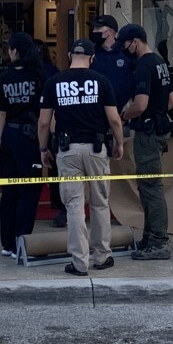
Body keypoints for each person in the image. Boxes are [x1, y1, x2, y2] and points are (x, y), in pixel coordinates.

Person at [37, 37, 125, 276]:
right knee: (100, 203)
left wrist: (43, 150)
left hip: (67, 151)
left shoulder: (54, 82)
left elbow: (44, 122)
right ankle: (103, 256)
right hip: (97, 150)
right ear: (92, 58)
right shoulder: (101, 81)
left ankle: (79, 262)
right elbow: (114, 119)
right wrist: (119, 143)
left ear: (69, 56)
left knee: (74, 206)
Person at [118, 23, 173, 260]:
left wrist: (124, 115)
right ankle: (151, 237)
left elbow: (140, 105)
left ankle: (158, 242)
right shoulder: (160, 62)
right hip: (159, 130)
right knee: (149, 186)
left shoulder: (143, 65)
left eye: (126, 44)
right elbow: (170, 102)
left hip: (148, 133)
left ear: (135, 42)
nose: (125, 50)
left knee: (150, 188)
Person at [0, 32, 47, 257]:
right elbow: (45, 114)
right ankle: (22, 242)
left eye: (10, 48)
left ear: (16, 51)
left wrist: (0, 136)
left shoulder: (4, 76)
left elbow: (2, 112)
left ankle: (7, 243)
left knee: (9, 191)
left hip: (10, 136)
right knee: (29, 190)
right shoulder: (38, 75)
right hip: (30, 137)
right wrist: (45, 145)